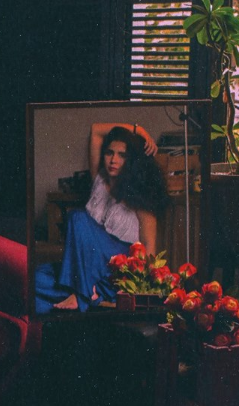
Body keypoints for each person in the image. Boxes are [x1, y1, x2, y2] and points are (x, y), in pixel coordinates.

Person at [35, 122, 168, 312]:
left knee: (78, 217)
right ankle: (90, 296)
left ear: (132, 160)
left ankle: (82, 296)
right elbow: (96, 130)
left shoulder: (140, 195)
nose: (113, 160)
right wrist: (139, 130)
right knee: (36, 277)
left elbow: (149, 248)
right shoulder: (99, 178)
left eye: (122, 155)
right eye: (109, 153)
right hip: (88, 266)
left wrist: (140, 285)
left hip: (115, 270)